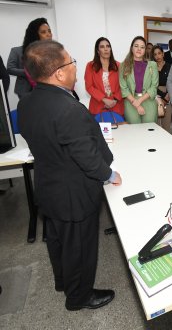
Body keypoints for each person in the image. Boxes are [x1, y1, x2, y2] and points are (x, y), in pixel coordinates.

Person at [18, 40, 122, 311]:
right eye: (71, 62)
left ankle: (63, 282)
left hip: (48, 186)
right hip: (73, 192)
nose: (76, 66)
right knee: (80, 247)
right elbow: (87, 157)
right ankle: (79, 297)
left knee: (57, 239)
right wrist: (109, 174)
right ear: (59, 73)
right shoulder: (68, 109)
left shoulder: (28, 103)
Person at [7, 17, 52, 99]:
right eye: (43, 32)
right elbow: (10, 69)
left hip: (47, 90)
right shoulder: (17, 51)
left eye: (49, 31)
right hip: (25, 90)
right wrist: (28, 72)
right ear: (34, 34)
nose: (48, 34)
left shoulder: (51, 52)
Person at [119, 36, 159, 124]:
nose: (139, 49)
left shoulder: (153, 65)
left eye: (142, 47)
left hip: (148, 100)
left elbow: (154, 87)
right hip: (131, 102)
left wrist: (139, 101)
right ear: (131, 48)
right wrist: (136, 103)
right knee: (134, 132)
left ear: (145, 50)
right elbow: (124, 88)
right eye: (136, 46)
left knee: (149, 130)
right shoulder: (123, 66)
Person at [84, 37, 124, 117]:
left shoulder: (119, 66)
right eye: (102, 47)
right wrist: (104, 99)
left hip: (117, 106)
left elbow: (124, 86)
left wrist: (115, 100)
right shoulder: (90, 66)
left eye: (108, 46)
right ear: (98, 51)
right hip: (98, 107)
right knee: (99, 130)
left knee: (120, 129)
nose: (106, 49)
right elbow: (89, 86)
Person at [151, 45, 172, 131]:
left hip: (169, 95)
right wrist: (162, 96)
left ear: (163, 54)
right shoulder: (151, 67)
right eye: (155, 54)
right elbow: (151, 85)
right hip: (155, 95)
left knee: (166, 124)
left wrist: (167, 97)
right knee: (155, 124)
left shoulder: (169, 66)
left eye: (159, 53)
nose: (157, 56)